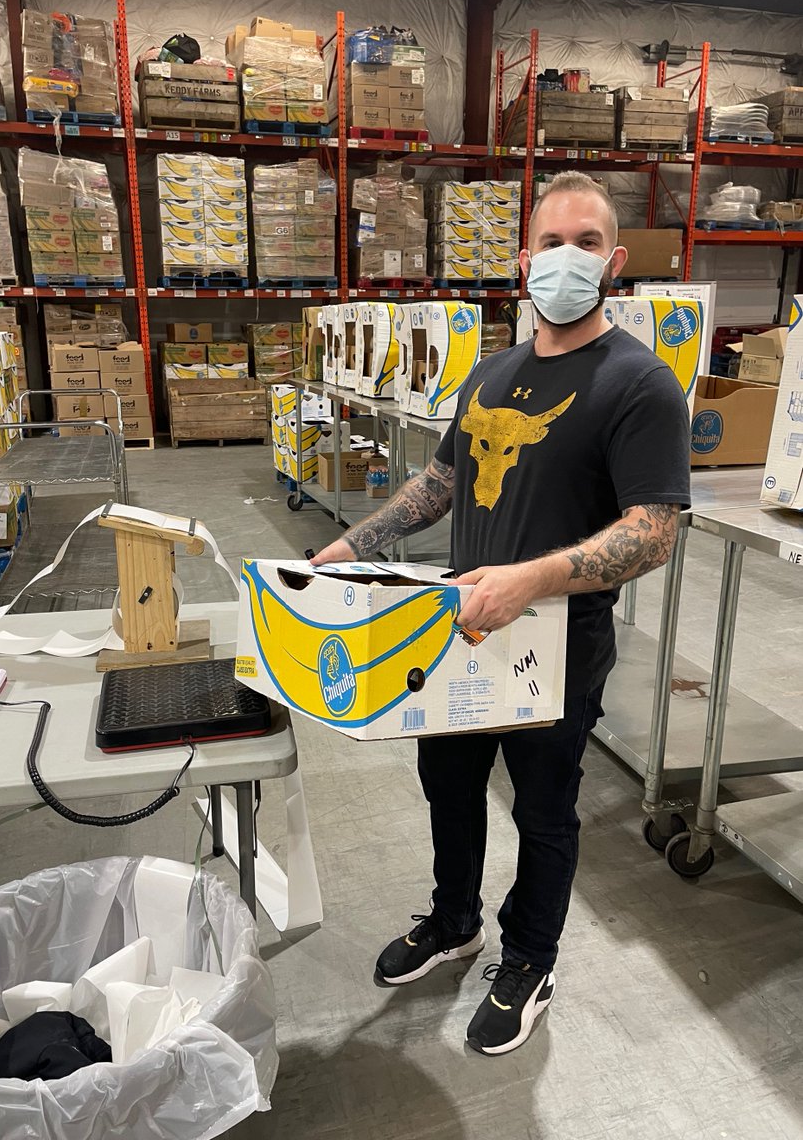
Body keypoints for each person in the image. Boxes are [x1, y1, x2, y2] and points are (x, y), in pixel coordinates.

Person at [312, 171, 691, 1056]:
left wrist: (535, 577)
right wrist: (351, 545)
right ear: (524, 262)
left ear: (615, 260)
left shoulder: (641, 385)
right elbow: (442, 481)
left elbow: (654, 530)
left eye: (586, 243)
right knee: (447, 785)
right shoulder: (492, 371)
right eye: (551, 243)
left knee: (545, 808)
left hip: (556, 641)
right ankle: (455, 921)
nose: (566, 258)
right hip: (458, 632)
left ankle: (529, 955)